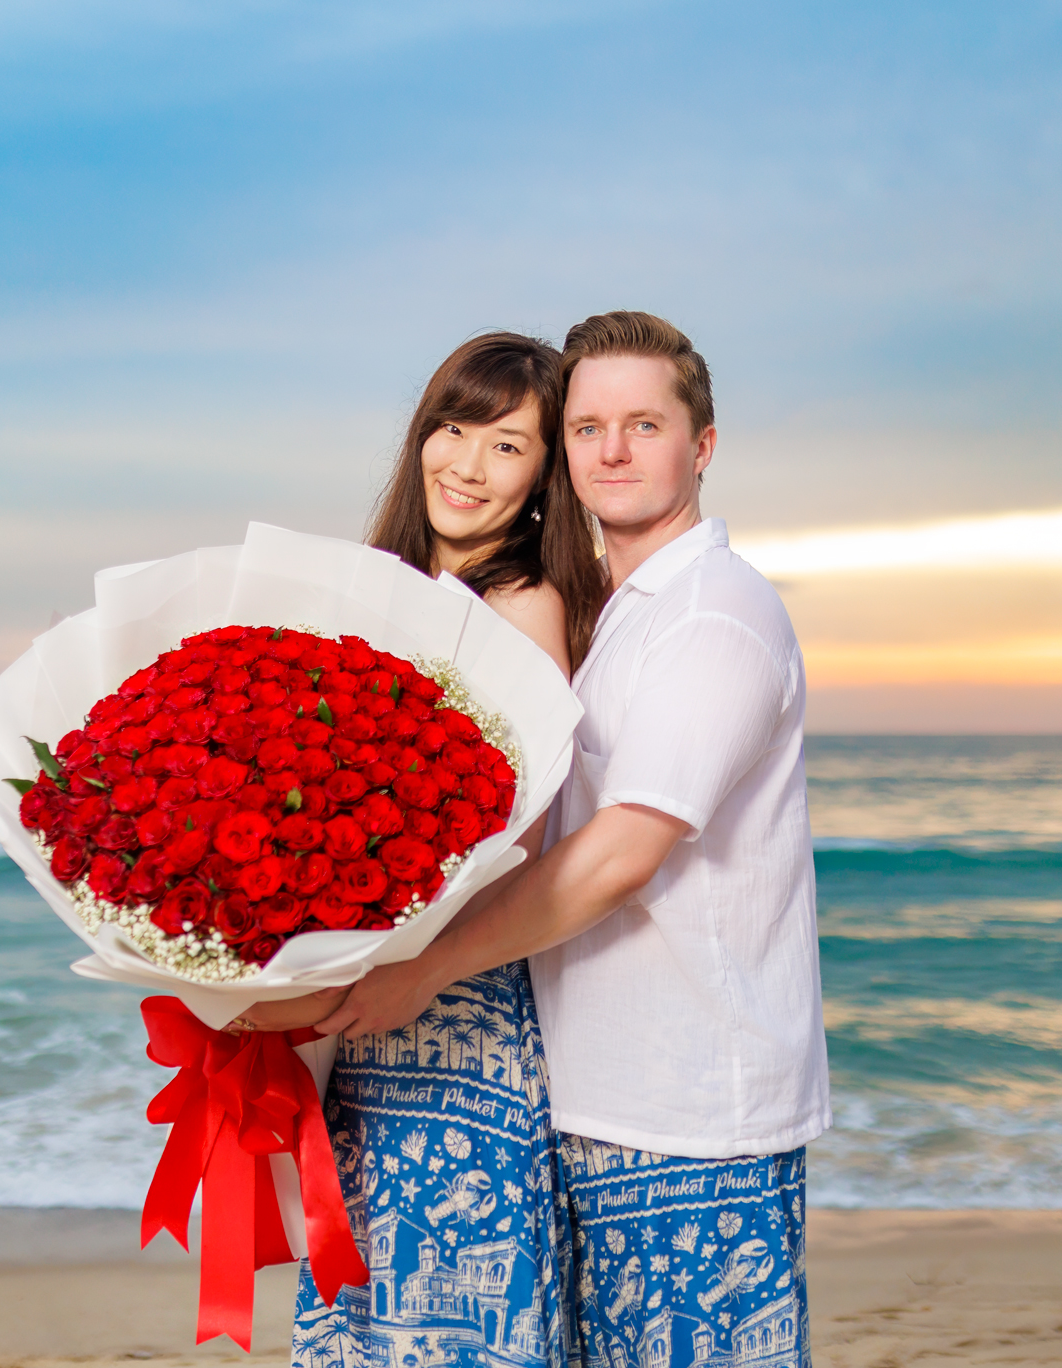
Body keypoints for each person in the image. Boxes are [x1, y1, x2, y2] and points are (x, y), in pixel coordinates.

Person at [322, 312, 830, 1368]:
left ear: (703, 443)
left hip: (695, 1115)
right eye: (590, 425)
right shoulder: (626, 616)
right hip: (598, 1094)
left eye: (643, 423)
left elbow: (623, 847)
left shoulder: (713, 616)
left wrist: (426, 968)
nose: (612, 449)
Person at [245, 331, 607, 1368]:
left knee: (457, 1312)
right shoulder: (365, 589)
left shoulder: (524, 603)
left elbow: (518, 831)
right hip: (361, 1014)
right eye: (455, 429)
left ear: (544, 480)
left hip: (460, 1003)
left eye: (508, 446)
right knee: (358, 1308)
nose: (468, 464)